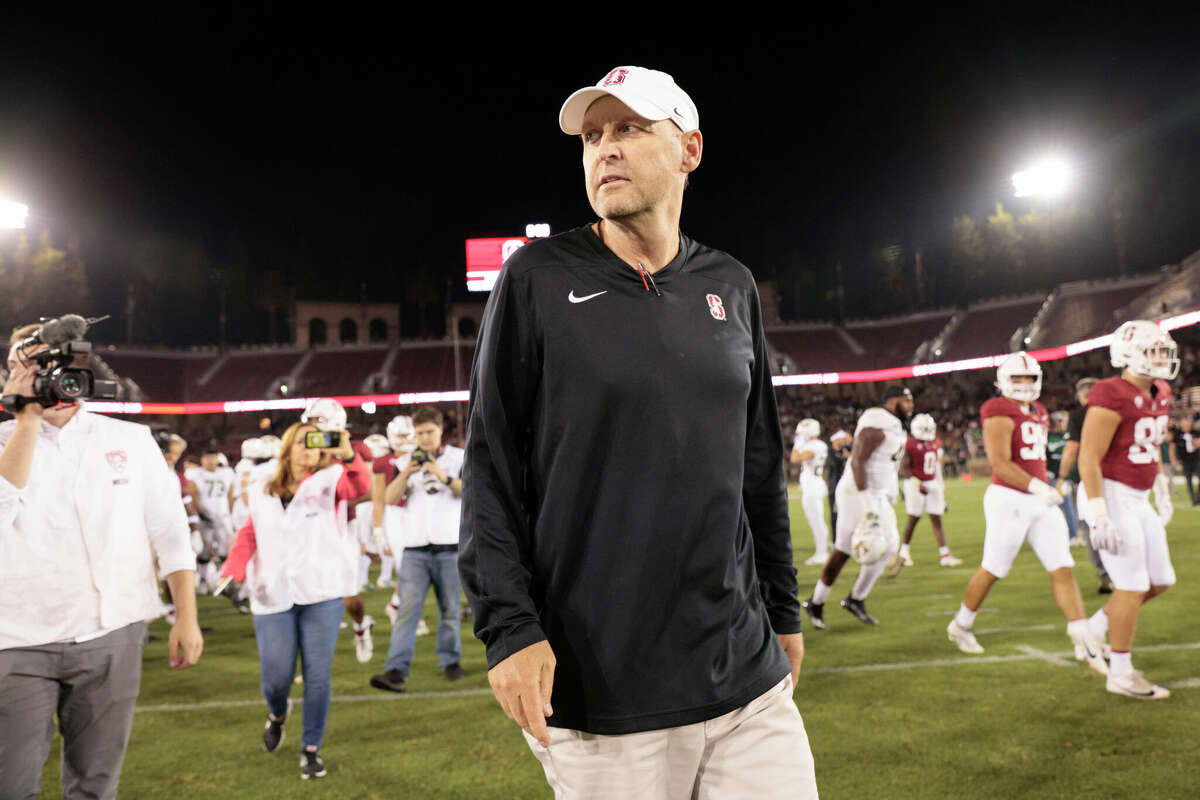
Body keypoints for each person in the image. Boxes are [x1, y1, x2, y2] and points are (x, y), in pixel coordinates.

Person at [459, 65, 817, 799]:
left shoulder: (731, 284)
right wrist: (509, 630)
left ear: (688, 149)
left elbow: (757, 467)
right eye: (592, 136)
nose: (604, 150)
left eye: (628, 129)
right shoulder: (535, 279)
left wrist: (783, 609)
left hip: (745, 674)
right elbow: (491, 467)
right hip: (603, 691)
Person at [0, 321, 203, 799]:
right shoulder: (5, 438)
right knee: (11, 787)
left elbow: (170, 531)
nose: (36, 373)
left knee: (95, 787)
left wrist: (187, 618)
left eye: (47, 361)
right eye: (24, 364)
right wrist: (26, 420)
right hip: (17, 641)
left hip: (112, 633)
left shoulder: (131, 440)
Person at [220, 416, 369, 779]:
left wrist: (349, 455)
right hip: (272, 592)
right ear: (288, 446)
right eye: (304, 441)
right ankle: (277, 714)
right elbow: (251, 530)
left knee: (318, 676)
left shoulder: (332, 479)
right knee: (276, 677)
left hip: (322, 592)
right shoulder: (261, 483)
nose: (311, 448)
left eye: (318, 442)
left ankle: (311, 748)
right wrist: (233, 567)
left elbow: (360, 487)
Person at [946, 353, 1107, 674]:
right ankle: (961, 625)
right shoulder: (997, 408)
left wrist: (1045, 486)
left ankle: (1081, 635)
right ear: (1003, 380)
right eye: (1016, 379)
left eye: (1028, 378)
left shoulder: (1039, 410)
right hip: (1010, 498)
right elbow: (1000, 464)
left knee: (1062, 566)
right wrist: (1039, 487)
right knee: (994, 568)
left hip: (1039, 498)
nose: (1023, 385)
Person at [1078, 321, 1178, 699]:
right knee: (1131, 584)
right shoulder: (1110, 392)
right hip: (1110, 493)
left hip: (1138, 495)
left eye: (1163, 351)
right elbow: (1089, 457)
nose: (1162, 359)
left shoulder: (1162, 390)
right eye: (1154, 351)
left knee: (1160, 580)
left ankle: (1094, 629)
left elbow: (1150, 445)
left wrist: (1162, 486)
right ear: (1128, 353)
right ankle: (1119, 673)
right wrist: (1098, 511)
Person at [371, 406, 465, 692]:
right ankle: (396, 670)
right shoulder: (404, 463)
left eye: (429, 432)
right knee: (407, 612)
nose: (424, 438)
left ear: (440, 431)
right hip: (415, 548)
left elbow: (470, 490)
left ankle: (450, 661)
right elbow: (388, 498)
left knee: (449, 609)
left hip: (449, 545)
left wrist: (443, 476)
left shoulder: (458, 457)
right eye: (419, 433)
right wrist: (407, 472)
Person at [802, 386, 912, 629]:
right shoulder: (877, 424)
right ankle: (820, 602)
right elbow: (857, 463)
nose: (911, 405)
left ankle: (852, 599)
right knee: (845, 549)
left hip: (875, 492)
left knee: (888, 546)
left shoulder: (893, 424)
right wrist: (868, 501)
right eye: (906, 400)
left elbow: (885, 463)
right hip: (858, 492)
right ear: (893, 401)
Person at [887, 412, 962, 577]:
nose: (928, 430)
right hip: (915, 484)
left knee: (937, 519)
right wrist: (916, 482)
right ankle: (904, 553)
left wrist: (940, 486)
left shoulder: (935, 443)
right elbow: (903, 469)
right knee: (913, 519)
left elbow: (936, 467)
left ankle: (945, 555)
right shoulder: (909, 444)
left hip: (932, 483)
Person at [1058, 377, 1113, 592]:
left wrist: (1061, 477)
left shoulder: (1078, 416)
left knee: (1091, 526)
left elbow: (1072, 449)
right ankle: (1121, 570)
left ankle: (1102, 570)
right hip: (1116, 478)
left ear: (1082, 396)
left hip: (1088, 479)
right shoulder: (1113, 411)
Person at [791, 417, 830, 566]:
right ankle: (823, 548)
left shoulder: (815, 445)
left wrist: (798, 443)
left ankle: (822, 553)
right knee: (816, 519)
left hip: (813, 486)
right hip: (813, 484)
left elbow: (795, 458)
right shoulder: (817, 444)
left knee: (816, 520)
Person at [1169, 414, 1199, 505]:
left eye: (1186, 421)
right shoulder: (1178, 434)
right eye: (1183, 422)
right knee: (1188, 480)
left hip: (1197, 459)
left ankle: (1198, 496)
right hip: (1185, 461)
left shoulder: (1195, 432)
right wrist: (1173, 459)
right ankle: (1193, 500)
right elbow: (1172, 447)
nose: (1184, 424)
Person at [827, 429, 853, 534]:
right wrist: (845, 457)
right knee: (835, 515)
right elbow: (834, 464)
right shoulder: (831, 453)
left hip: (845, 488)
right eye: (842, 439)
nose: (844, 441)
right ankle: (835, 540)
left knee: (847, 514)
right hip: (834, 488)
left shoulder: (844, 450)